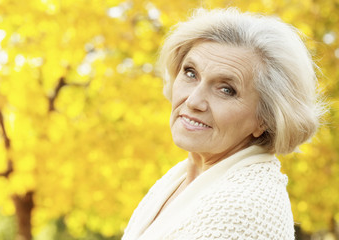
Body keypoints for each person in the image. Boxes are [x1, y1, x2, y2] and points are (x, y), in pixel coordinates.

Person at [122, 8, 324, 240]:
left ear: (266, 118)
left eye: (227, 90)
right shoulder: (181, 177)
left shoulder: (244, 210)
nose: (194, 101)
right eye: (190, 73)